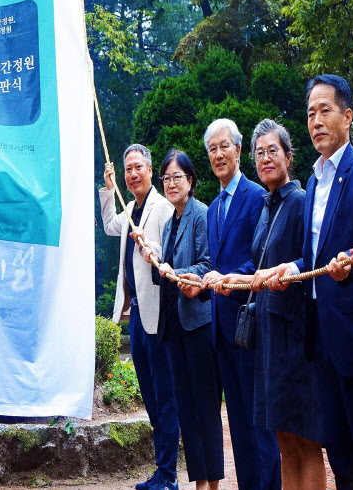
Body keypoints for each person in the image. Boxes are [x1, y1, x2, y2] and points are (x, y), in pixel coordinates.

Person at [264, 75, 353, 488]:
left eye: (325, 110)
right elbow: (313, 258)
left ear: (348, 117)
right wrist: (291, 270)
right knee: (341, 455)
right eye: (310, 113)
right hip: (320, 338)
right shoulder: (313, 181)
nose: (316, 121)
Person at [210, 120, 325, 490]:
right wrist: (233, 280)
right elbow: (259, 268)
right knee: (283, 439)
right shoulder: (266, 205)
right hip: (268, 339)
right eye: (260, 153)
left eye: (272, 151)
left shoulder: (300, 202)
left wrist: (286, 269)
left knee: (305, 441)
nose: (265, 158)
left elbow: (315, 261)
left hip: (295, 339)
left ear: (289, 157)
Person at [181, 118, 280, 490]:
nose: (218, 154)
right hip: (222, 329)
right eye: (212, 149)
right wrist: (201, 285)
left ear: (239, 150)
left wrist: (227, 280)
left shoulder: (257, 197)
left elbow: (260, 261)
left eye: (225, 146)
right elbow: (215, 267)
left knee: (260, 425)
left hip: (252, 325)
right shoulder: (215, 206)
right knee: (237, 425)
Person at [136, 149, 223, 490]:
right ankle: (199, 481)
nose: (171, 184)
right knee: (186, 409)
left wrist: (180, 272)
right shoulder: (171, 220)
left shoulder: (200, 213)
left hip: (197, 323)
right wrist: (153, 258)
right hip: (173, 326)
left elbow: (206, 262)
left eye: (177, 178)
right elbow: (165, 273)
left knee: (205, 408)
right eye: (167, 179)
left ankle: (212, 483)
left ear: (190, 180)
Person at [100, 144, 178, 490]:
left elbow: (167, 255)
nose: (132, 174)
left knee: (165, 397)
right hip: (135, 317)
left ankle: (169, 474)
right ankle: (161, 471)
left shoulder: (162, 208)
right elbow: (108, 226)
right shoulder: (129, 207)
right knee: (149, 395)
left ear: (150, 170)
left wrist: (151, 248)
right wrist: (108, 188)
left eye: (137, 168)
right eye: (127, 169)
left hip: (158, 314)